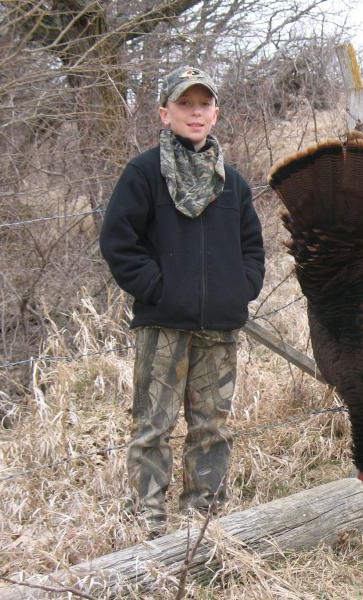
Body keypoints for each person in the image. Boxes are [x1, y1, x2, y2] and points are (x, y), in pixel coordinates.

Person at [99, 66, 265, 537]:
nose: (195, 113)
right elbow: (118, 242)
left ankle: (201, 520)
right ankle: (149, 523)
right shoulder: (143, 173)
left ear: (216, 113)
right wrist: (159, 289)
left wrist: (240, 287)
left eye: (203, 105)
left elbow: (253, 248)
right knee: (153, 427)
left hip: (219, 327)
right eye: (184, 104)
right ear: (164, 112)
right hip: (163, 325)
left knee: (211, 429)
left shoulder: (231, 181)